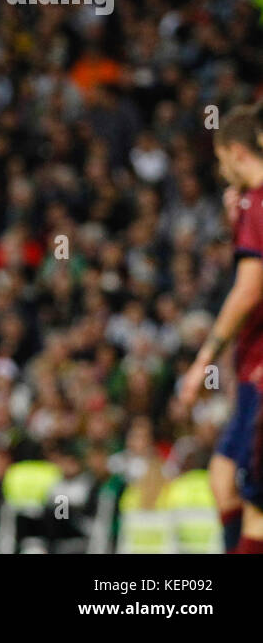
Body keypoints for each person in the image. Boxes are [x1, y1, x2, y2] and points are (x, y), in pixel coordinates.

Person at [175, 103, 263, 553]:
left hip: (259, 372)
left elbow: (248, 292)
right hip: (251, 370)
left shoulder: (256, 200)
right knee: (224, 481)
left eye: (219, 158)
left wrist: (202, 360)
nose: (220, 168)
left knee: (254, 503)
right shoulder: (248, 204)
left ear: (234, 151)